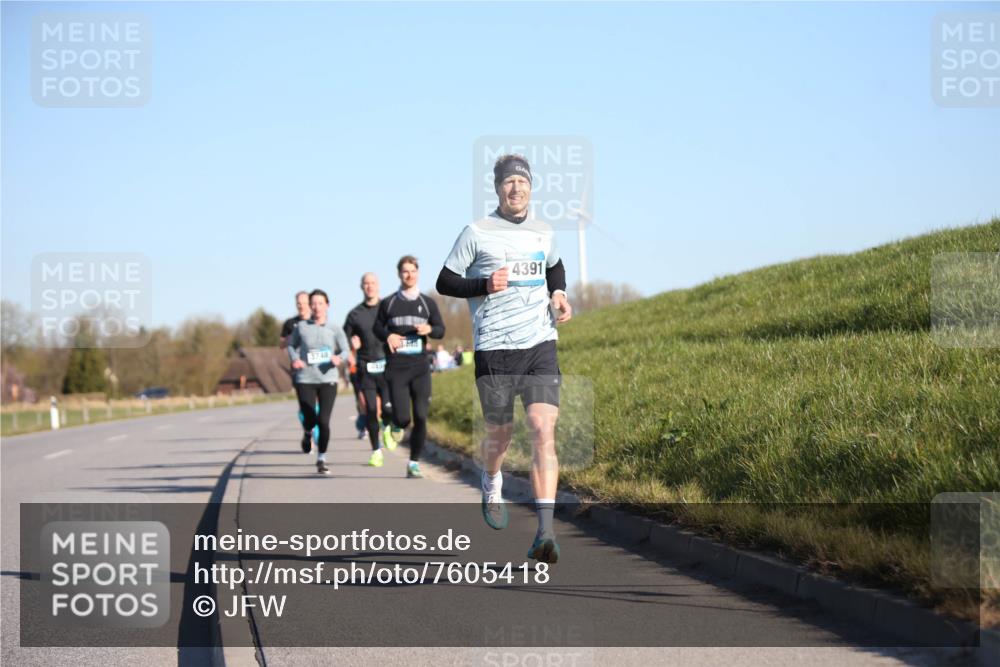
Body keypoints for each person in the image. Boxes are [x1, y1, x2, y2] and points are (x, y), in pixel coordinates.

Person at [436, 153, 572, 564]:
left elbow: (555, 265)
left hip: (539, 346)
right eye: (508, 183)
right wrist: (483, 283)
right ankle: (491, 479)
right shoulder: (476, 232)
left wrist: (559, 293)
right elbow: (445, 281)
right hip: (495, 348)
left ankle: (545, 531)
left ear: (531, 187)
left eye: (522, 182)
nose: (516, 189)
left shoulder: (544, 231)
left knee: (543, 429)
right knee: (501, 436)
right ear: (498, 189)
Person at [374, 256, 445, 479]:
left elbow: (441, 330)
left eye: (413, 271)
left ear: (418, 273)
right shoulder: (389, 303)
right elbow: (376, 328)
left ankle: (413, 462)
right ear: (399, 274)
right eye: (405, 271)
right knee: (404, 418)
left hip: (420, 366)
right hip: (397, 367)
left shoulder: (427, 303)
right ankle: (395, 425)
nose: (409, 275)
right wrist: (389, 336)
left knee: (422, 417)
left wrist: (429, 330)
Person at [287, 289, 352, 475]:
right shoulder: (301, 327)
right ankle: (308, 433)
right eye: (313, 303)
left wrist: (339, 358)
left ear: (327, 306)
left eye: (320, 303)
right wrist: (295, 359)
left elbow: (346, 350)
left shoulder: (335, 328)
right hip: (305, 378)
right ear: (309, 306)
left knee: (323, 421)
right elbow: (292, 345)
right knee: (310, 418)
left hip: (328, 379)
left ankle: (321, 458)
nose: (316, 307)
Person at [343, 272, 398, 467]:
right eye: (366, 283)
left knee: (389, 410)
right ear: (361, 287)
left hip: (387, 367)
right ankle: (376, 451)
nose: (370, 286)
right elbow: (343, 342)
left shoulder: (388, 309)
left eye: (373, 283)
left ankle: (387, 429)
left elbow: (398, 332)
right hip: (365, 368)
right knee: (371, 411)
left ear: (378, 286)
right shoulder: (354, 314)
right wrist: (351, 345)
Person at [280, 291, 318, 449]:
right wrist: (288, 341)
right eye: (298, 303)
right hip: (298, 370)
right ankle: (308, 431)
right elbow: (281, 345)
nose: (301, 306)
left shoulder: (316, 321)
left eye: (304, 302)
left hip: (317, 368)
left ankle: (315, 432)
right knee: (304, 404)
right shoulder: (290, 323)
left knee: (316, 404)